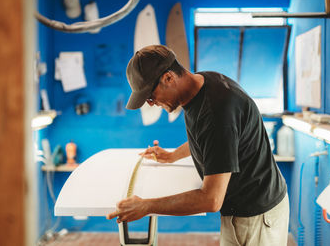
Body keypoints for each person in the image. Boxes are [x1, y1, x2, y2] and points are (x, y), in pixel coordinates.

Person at [107, 45, 289, 245]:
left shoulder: (218, 112)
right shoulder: (203, 84)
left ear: (169, 78)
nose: (151, 103)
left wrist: (146, 206)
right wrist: (172, 155)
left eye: (150, 96)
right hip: (247, 209)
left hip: (256, 216)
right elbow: (211, 141)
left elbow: (211, 199)